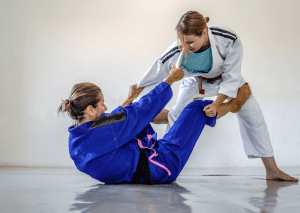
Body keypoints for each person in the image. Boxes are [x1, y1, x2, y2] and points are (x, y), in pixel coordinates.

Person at [136, 11, 298, 182]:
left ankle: (272, 170)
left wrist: (217, 103)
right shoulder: (178, 49)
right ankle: (167, 169)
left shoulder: (228, 39)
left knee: (253, 113)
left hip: (224, 78)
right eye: (182, 41)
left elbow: (231, 76)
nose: (185, 46)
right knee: (176, 115)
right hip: (194, 81)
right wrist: (137, 89)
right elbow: (157, 69)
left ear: (204, 32)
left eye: (190, 42)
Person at [58, 67, 221, 184]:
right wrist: (170, 79)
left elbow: (113, 122)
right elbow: (138, 112)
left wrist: (129, 100)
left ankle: (174, 118)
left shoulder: (77, 141)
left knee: (136, 114)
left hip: (143, 167)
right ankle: (230, 107)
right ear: (90, 110)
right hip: (162, 165)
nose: (105, 108)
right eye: (102, 104)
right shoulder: (106, 131)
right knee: (196, 107)